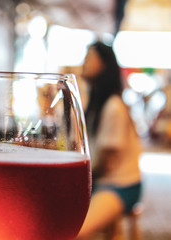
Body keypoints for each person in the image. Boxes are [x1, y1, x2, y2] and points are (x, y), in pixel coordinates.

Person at [77, 41, 142, 239]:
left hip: (120, 186)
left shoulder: (113, 106)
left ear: (104, 65)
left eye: (89, 58)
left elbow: (105, 162)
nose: (84, 63)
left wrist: (78, 179)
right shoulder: (99, 104)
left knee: (76, 230)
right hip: (103, 183)